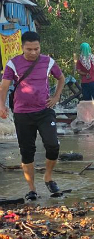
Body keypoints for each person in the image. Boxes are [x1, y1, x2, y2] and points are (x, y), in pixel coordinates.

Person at [0, 31, 65, 200]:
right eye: (29, 49)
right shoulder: (13, 64)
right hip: (22, 114)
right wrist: (2, 105)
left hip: (44, 111)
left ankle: (48, 177)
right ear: (22, 47)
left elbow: (61, 78)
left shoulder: (48, 61)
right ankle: (32, 189)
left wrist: (56, 96)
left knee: (53, 145)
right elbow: (4, 86)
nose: (33, 52)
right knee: (27, 151)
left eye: (36, 48)